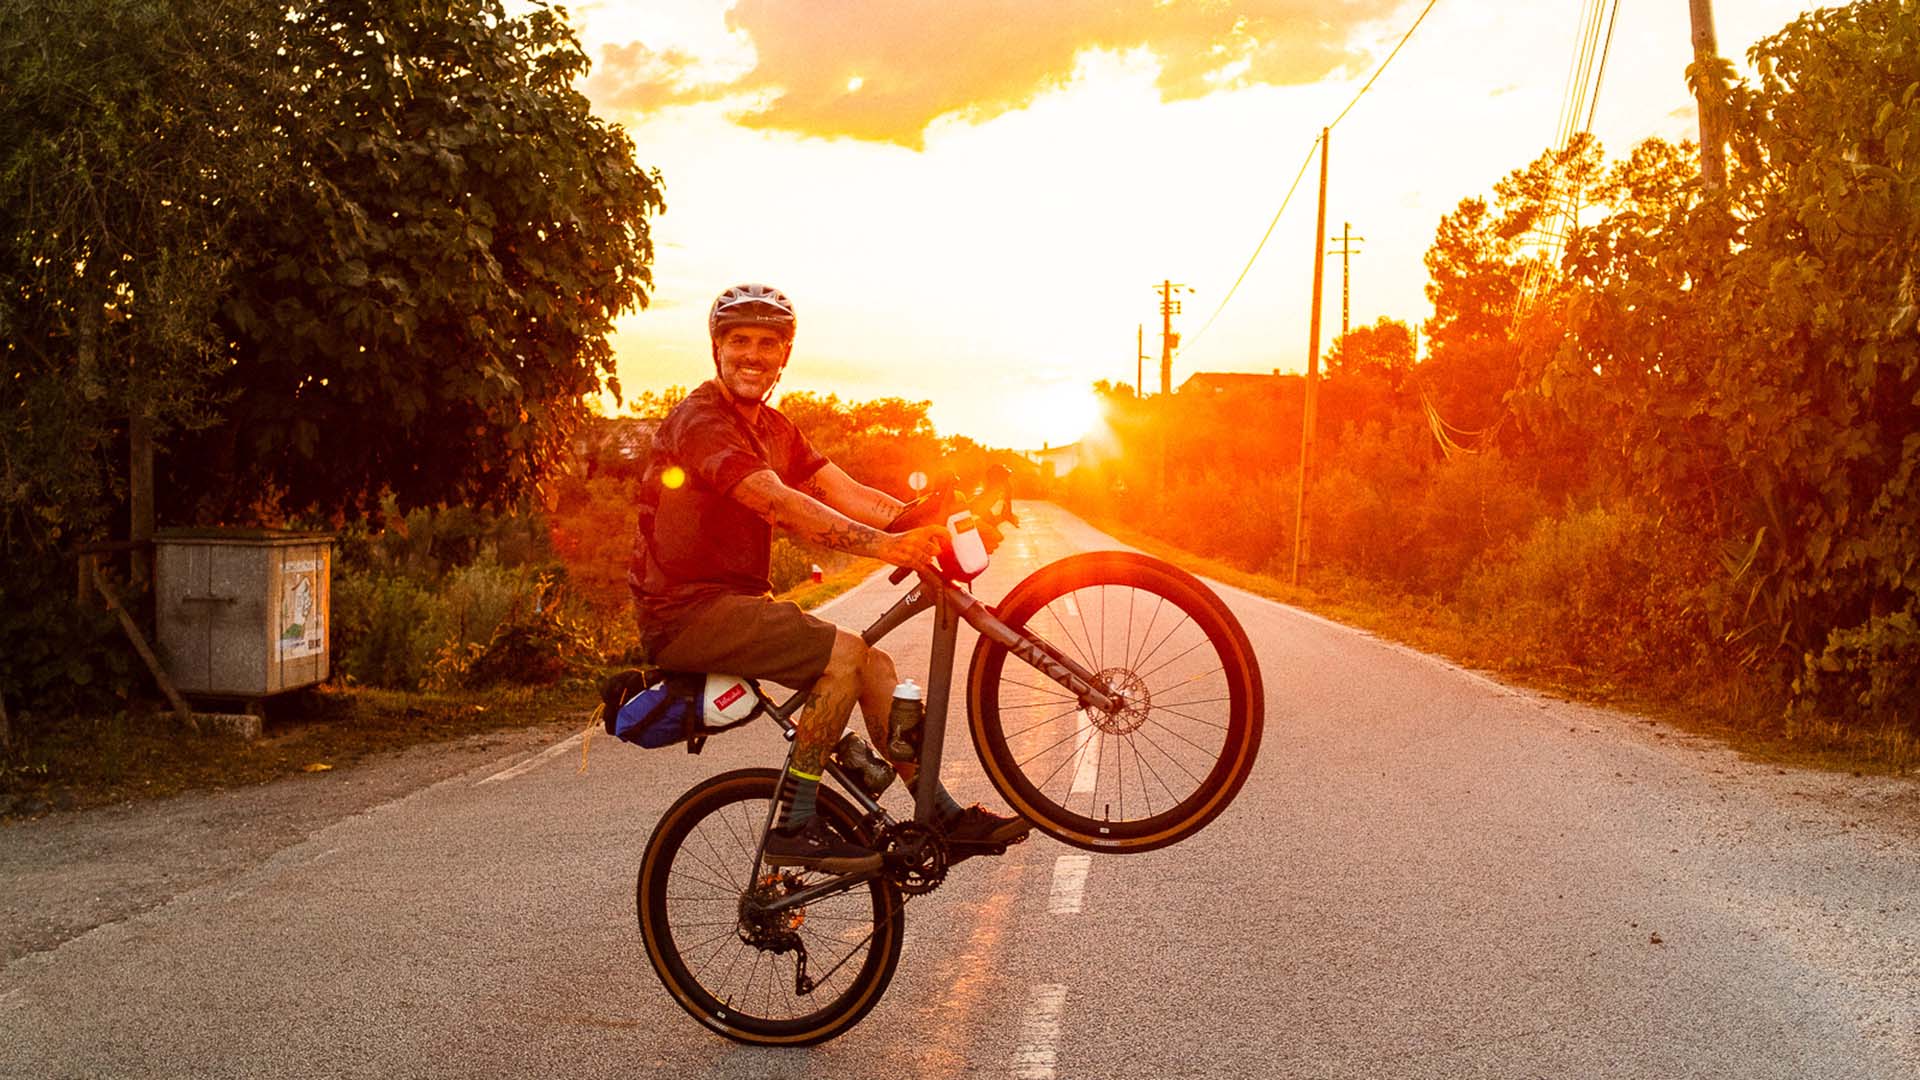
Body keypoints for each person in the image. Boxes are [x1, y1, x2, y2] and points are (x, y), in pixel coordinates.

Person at [627, 283, 1029, 873]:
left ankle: (936, 811)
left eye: (769, 343)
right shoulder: (703, 422)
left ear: (785, 355)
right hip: (686, 614)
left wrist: (928, 523)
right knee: (840, 659)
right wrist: (888, 547)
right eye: (739, 341)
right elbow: (779, 503)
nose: (753, 356)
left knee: (875, 665)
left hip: (735, 605)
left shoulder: (772, 427)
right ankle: (796, 821)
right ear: (716, 348)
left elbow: (840, 490)